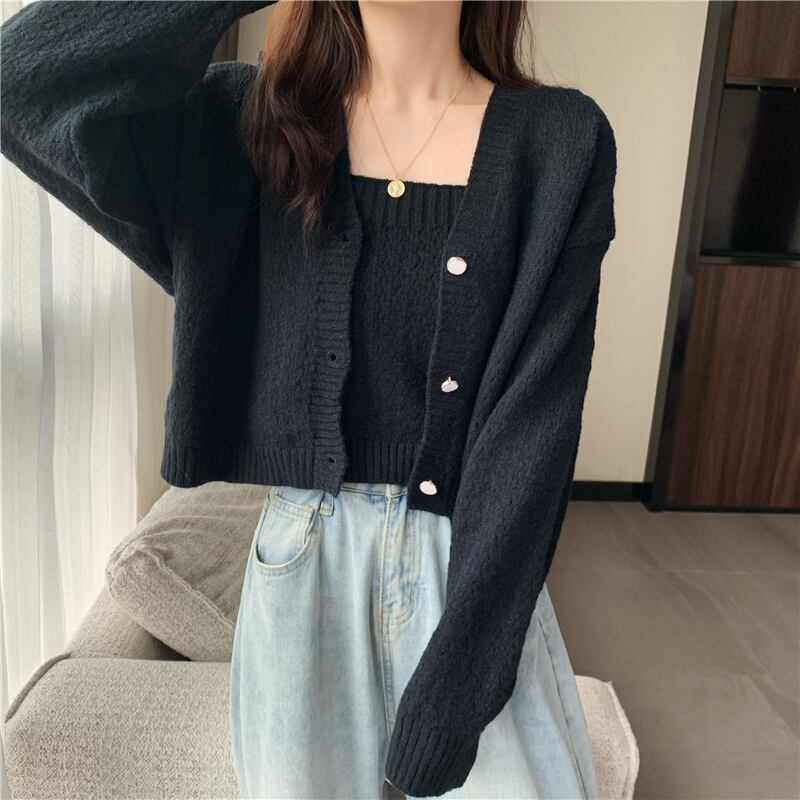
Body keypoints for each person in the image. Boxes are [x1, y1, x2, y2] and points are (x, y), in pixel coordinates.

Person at [0, 1, 617, 798]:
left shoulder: (561, 141)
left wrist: (460, 687)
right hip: (301, 567)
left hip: (469, 565)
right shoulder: (241, 131)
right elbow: (24, 79)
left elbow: (536, 425)